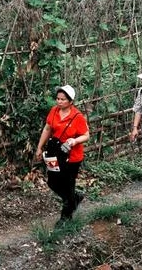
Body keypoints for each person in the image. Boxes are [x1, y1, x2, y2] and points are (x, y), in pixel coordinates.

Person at [35, 85, 90, 225]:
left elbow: (86, 135)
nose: (59, 102)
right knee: (52, 182)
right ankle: (73, 198)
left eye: (63, 99)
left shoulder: (77, 117)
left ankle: (66, 217)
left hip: (72, 157)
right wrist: (39, 147)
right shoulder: (54, 111)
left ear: (70, 101)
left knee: (68, 184)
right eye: (58, 99)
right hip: (54, 154)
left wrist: (75, 140)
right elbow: (47, 129)